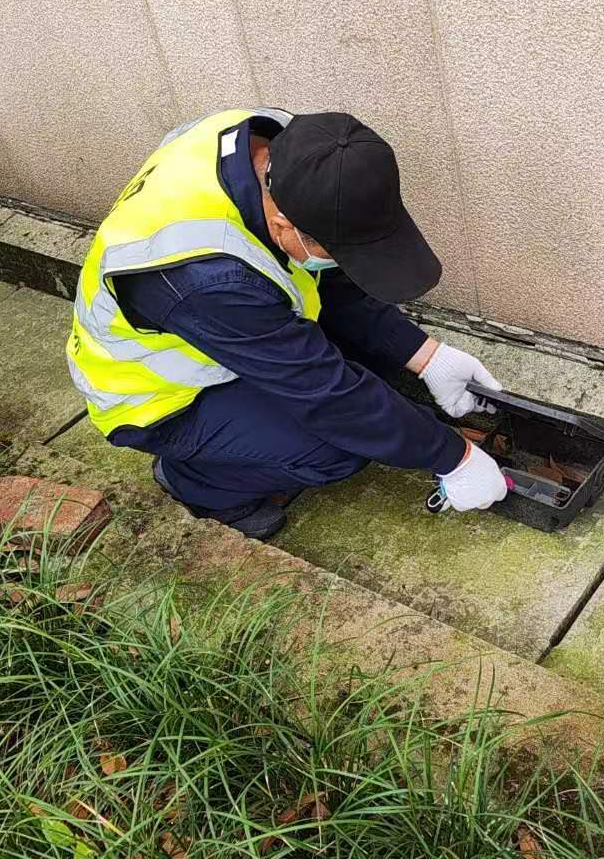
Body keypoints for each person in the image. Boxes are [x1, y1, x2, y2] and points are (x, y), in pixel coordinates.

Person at [66, 108, 508, 540]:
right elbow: (326, 395)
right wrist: (454, 457)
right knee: (337, 447)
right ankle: (196, 480)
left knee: (376, 380)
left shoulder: (291, 152)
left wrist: (427, 357)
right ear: (282, 225)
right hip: (159, 400)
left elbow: (331, 281)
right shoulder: (209, 278)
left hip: (224, 334)